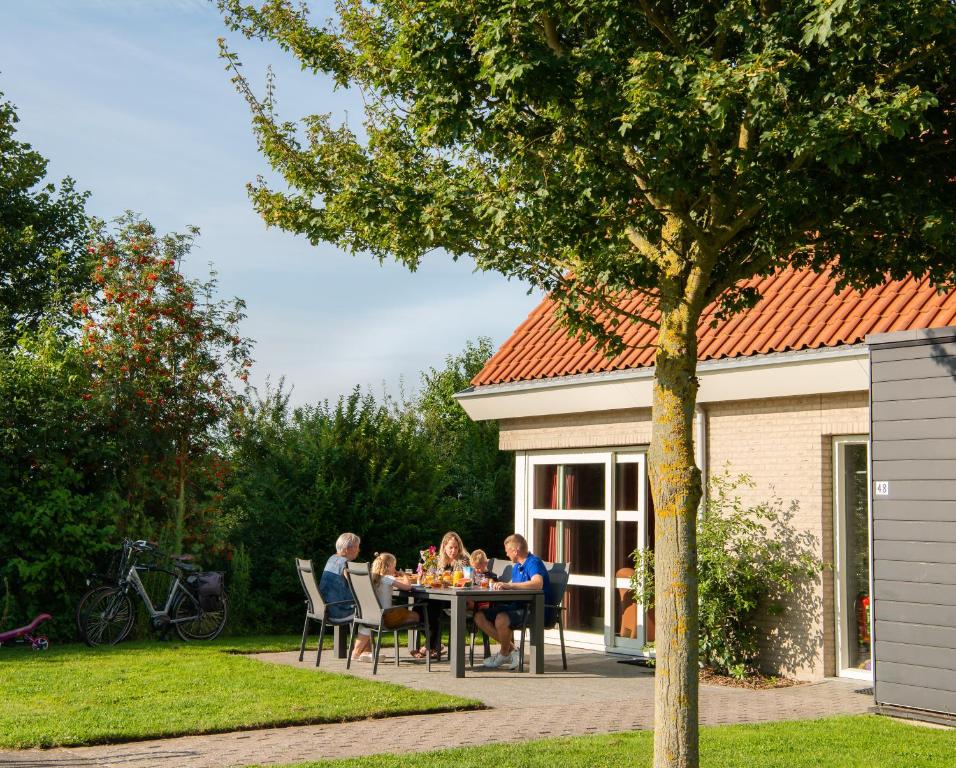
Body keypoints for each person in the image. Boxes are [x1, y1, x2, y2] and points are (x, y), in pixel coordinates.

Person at [474, 533, 551, 671]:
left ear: (515, 551)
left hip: (534, 609)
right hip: (517, 606)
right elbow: (515, 587)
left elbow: (538, 583)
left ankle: (504, 653)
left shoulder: (533, 562)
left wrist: (509, 586)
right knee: (480, 616)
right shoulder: (517, 566)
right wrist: (499, 586)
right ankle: (513, 651)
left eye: (508, 551)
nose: (506, 554)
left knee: (501, 619)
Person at [318, 532, 371, 661]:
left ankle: (367, 651)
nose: (359, 550)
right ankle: (360, 652)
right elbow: (356, 586)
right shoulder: (345, 564)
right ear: (348, 549)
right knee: (372, 613)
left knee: (366, 609)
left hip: (324, 608)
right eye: (357, 547)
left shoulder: (332, 559)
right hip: (338, 611)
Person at [418, 531, 470, 659]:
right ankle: (434, 645)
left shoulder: (463, 560)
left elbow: (467, 580)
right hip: (440, 597)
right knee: (419, 608)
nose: (453, 550)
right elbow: (433, 578)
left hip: (456, 600)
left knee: (431, 608)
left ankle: (431, 647)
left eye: (456, 547)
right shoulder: (439, 561)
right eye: (450, 547)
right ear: (444, 547)